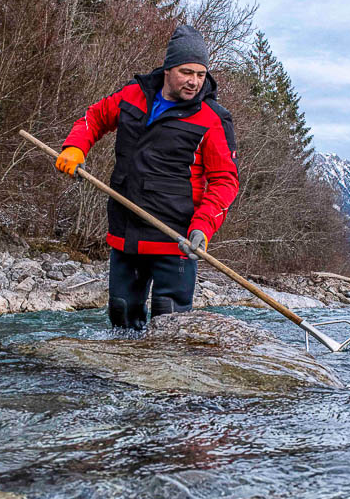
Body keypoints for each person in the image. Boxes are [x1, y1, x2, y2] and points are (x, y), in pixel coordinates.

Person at [55, 24, 239, 331]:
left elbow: (225, 181)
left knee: (171, 328)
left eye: (200, 74)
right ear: (168, 68)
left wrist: (203, 228)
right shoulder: (133, 95)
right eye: (186, 72)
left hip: (176, 240)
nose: (194, 82)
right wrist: (75, 146)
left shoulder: (213, 119)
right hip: (126, 233)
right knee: (121, 318)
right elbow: (95, 117)